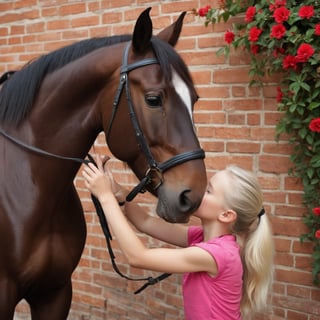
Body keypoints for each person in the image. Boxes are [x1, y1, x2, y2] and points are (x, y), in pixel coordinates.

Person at [82, 156, 274, 320]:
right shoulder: (202, 237)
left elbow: (138, 257)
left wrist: (106, 197)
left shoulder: (218, 254)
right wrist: (116, 191)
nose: (198, 190)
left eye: (208, 191)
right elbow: (146, 222)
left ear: (226, 215)